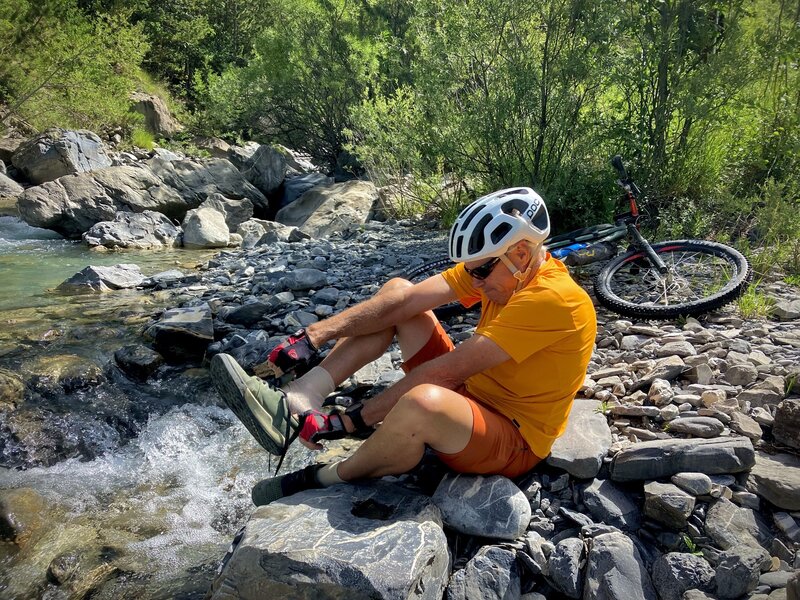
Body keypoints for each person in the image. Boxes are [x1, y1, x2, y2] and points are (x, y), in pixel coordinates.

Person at [210, 187, 597, 506]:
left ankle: (325, 476)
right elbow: (405, 303)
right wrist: (316, 335)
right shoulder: (504, 272)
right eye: (472, 272)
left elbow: (447, 372)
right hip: (473, 395)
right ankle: (300, 398)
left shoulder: (553, 299)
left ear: (520, 253)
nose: (475, 283)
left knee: (421, 402)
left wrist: (350, 420)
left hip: (513, 439)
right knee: (398, 293)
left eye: (480, 271)